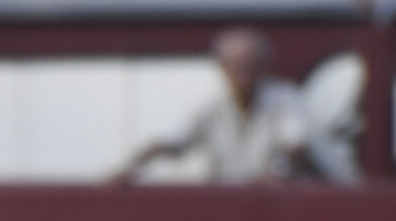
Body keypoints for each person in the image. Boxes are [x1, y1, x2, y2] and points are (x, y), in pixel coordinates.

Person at [116, 28, 319, 184]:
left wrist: (278, 171)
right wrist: (129, 168)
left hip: (276, 205)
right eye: (236, 66)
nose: (243, 74)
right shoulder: (210, 105)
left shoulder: (285, 98)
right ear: (222, 68)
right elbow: (171, 141)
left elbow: (297, 144)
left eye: (249, 65)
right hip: (229, 203)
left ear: (263, 66)